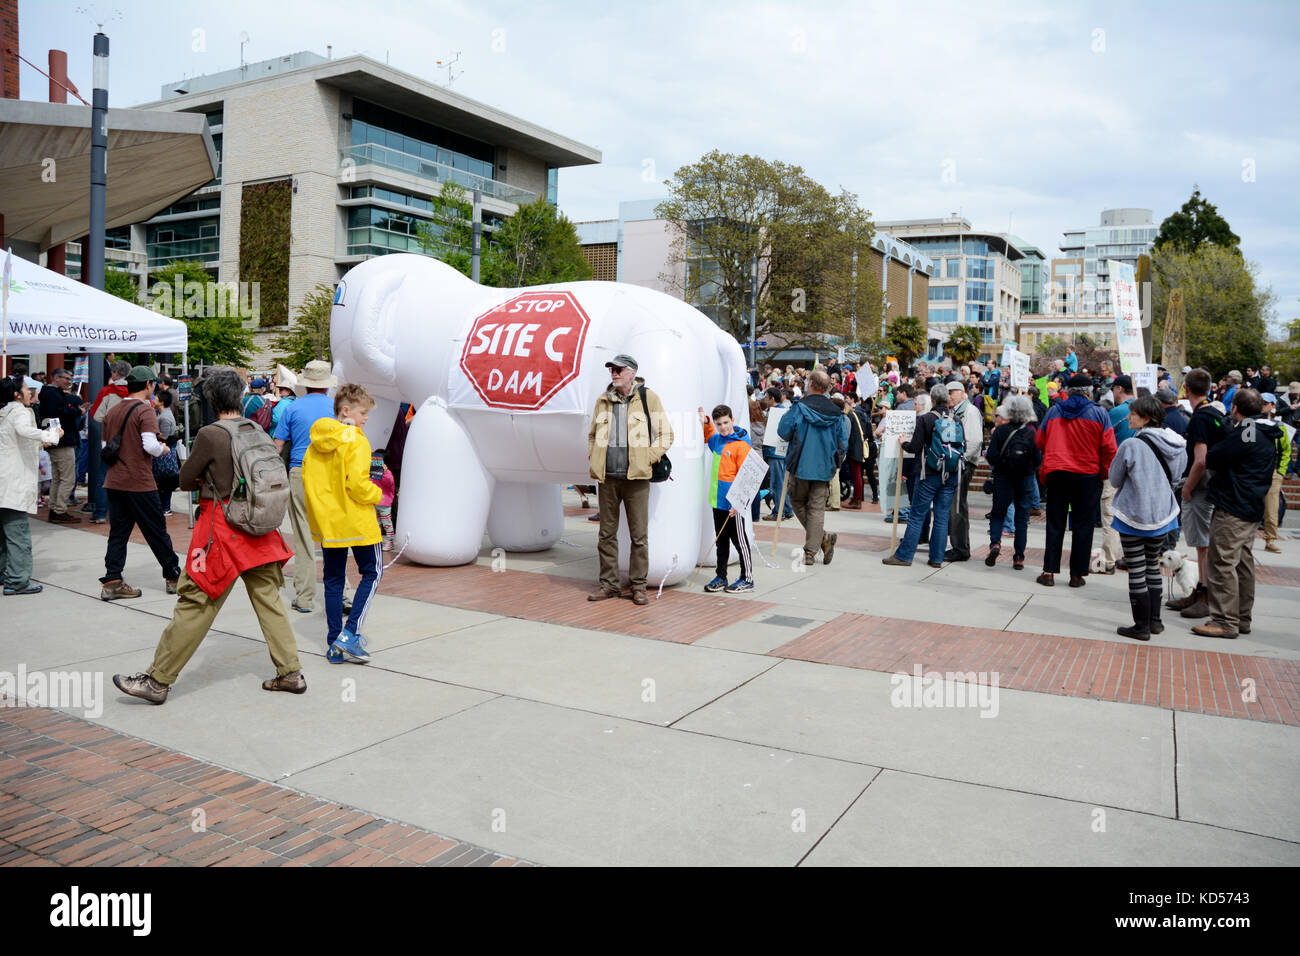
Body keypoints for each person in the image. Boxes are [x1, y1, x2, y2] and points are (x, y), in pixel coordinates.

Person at [111, 366, 305, 704]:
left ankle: (157, 680)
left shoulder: (211, 434)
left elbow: (185, 479)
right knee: (269, 600)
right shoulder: (256, 428)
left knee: (197, 602)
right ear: (241, 396)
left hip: (222, 529)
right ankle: (290, 672)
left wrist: (203, 478)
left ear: (211, 399)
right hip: (259, 528)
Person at [303, 382, 384, 663]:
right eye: (363, 413)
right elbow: (359, 485)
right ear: (346, 410)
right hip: (358, 521)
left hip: (331, 524)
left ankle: (334, 642)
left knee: (334, 580)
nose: (366, 419)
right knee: (372, 572)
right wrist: (378, 493)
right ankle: (350, 633)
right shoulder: (357, 439)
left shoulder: (316, 444)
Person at [1191, 390, 1280, 639]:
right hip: (1250, 505)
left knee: (1221, 562)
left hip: (1234, 505)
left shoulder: (1248, 431)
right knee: (1242, 562)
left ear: (1234, 409)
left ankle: (1224, 620)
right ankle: (1240, 617)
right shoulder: (1263, 430)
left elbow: (1215, 457)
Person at [586, 353, 673, 605]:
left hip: (637, 479)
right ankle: (609, 585)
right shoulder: (603, 400)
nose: (614, 373)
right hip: (607, 479)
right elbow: (592, 435)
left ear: (632, 372)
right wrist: (594, 457)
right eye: (611, 369)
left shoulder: (648, 397)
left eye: (619, 369)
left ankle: (638, 587)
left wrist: (647, 458)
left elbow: (666, 435)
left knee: (639, 536)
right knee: (606, 535)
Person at [274, 360, 352, 614]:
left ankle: (305, 597)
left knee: (303, 536)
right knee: (334, 534)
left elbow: (277, 446)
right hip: (330, 473)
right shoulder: (337, 409)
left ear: (305, 385)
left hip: (299, 471)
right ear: (328, 386)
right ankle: (344, 593)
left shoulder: (292, 408)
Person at [98, 367, 182, 600]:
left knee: (118, 532)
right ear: (148, 385)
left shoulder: (113, 411)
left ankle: (113, 580)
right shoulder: (144, 411)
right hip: (139, 482)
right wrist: (164, 449)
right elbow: (150, 445)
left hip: (115, 480)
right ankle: (174, 576)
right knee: (156, 530)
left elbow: (105, 448)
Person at [1107, 395, 1187, 640]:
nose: (1129, 417)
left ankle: (1140, 626)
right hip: (1165, 513)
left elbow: (1114, 479)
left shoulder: (1132, 445)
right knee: (1153, 565)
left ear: (1146, 418)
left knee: (1137, 570)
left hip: (1134, 514)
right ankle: (1155, 621)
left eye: (1133, 413)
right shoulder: (1177, 443)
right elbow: (1176, 478)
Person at [1035, 373, 1117, 588]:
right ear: (1089, 392)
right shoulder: (1099, 413)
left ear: (1068, 392)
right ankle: (1077, 575)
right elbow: (1110, 448)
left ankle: (1049, 571)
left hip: (1057, 472)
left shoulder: (1054, 411)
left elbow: (1039, 440)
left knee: (1055, 523)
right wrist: (1105, 473)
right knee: (1083, 525)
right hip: (1087, 474)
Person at [882, 384, 961, 568]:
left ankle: (905, 556)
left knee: (917, 514)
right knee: (941, 517)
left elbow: (915, 447)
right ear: (947, 400)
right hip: (950, 474)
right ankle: (937, 558)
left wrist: (903, 443)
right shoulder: (956, 419)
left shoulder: (925, 419)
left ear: (932, 400)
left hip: (929, 473)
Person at [1167, 369, 1225, 619]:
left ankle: (1205, 594)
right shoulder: (1215, 413)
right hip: (1212, 485)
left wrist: (1188, 487)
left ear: (1186, 390)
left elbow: (1200, 461)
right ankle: (1200, 590)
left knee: (1202, 544)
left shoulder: (1201, 417)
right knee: (1202, 544)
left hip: (1202, 487)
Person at [777, 369, 848, 566]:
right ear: (827, 387)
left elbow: (783, 431)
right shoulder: (837, 413)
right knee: (817, 508)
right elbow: (843, 442)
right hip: (825, 466)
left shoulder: (799, 408)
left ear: (810, 384)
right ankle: (816, 545)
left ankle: (814, 547)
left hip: (801, 464)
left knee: (798, 502)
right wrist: (836, 462)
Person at [0, 376, 63, 595]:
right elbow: (23, 431)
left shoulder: (4, 413)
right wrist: (51, 435)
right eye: (27, 389)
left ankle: (4, 573)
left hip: (5, 483)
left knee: (4, 533)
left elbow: (18, 440)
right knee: (18, 535)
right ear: (16, 394)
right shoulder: (18, 411)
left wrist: (41, 441)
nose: (30, 392)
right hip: (12, 483)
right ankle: (17, 580)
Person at [699, 404, 755, 593]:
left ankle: (747, 578)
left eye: (726, 422)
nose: (723, 427)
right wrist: (706, 423)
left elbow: (747, 477)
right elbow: (709, 437)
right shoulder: (717, 440)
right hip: (718, 502)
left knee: (740, 541)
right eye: (719, 423)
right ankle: (721, 576)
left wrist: (739, 503)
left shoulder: (741, 445)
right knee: (721, 540)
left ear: (732, 420)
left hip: (734, 505)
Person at [984, 394, 1040, 570]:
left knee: (998, 514)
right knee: (1021, 519)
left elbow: (992, 456)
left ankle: (995, 544)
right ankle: (1018, 557)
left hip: (1003, 478)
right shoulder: (1031, 433)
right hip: (1025, 479)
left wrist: (1000, 465)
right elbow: (1038, 460)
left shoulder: (1001, 431)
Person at [85, 359, 132, 522]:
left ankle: (100, 514)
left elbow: (95, 415)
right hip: (131, 441)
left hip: (109, 440)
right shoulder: (136, 390)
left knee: (104, 477)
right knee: (129, 477)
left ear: (116, 373)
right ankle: (126, 513)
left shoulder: (106, 391)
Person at [1099, 374, 1136, 574]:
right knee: (1132, 517)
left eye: (1114, 389)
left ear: (1119, 389)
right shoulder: (1141, 410)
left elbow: (1102, 439)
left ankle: (1108, 560)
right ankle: (1131, 557)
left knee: (1110, 516)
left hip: (1115, 469)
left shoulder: (1117, 412)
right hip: (1137, 471)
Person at [943, 381, 984, 562]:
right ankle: (958, 545)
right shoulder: (957, 411)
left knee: (957, 506)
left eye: (952, 392)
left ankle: (960, 548)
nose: (949, 396)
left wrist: (961, 460)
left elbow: (974, 441)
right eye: (948, 393)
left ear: (962, 393)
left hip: (963, 464)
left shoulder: (970, 411)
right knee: (954, 506)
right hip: (958, 463)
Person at [37, 367, 82, 524]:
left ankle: (55, 508)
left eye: (70, 379)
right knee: (67, 478)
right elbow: (60, 413)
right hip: (61, 440)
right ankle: (59, 509)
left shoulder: (50, 394)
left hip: (56, 440)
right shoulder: (52, 394)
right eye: (66, 378)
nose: (69, 382)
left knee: (58, 477)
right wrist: (77, 411)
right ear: (56, 379)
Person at [1259, 393, 1292, 554]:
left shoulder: (1280, 426)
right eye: (1261, 403)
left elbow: (1286, 450)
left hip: (1272, 471)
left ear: (1273, 405)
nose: (1263, 406)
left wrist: (1280, 471)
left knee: (1272, 507)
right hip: (1255, 470)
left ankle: (1271, 539)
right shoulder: (1251, 423)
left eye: (1266, 403)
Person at [153, 389, 180, 516]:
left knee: (163, 479)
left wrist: (153, 433)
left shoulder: (164, 417)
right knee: (165, 480)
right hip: (168, 450)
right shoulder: (165, 413)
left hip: (165, 452)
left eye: (156, 398)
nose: (153, 400)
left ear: (162, 402)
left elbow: (165, 436)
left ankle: (165, 507)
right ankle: (165, 507)